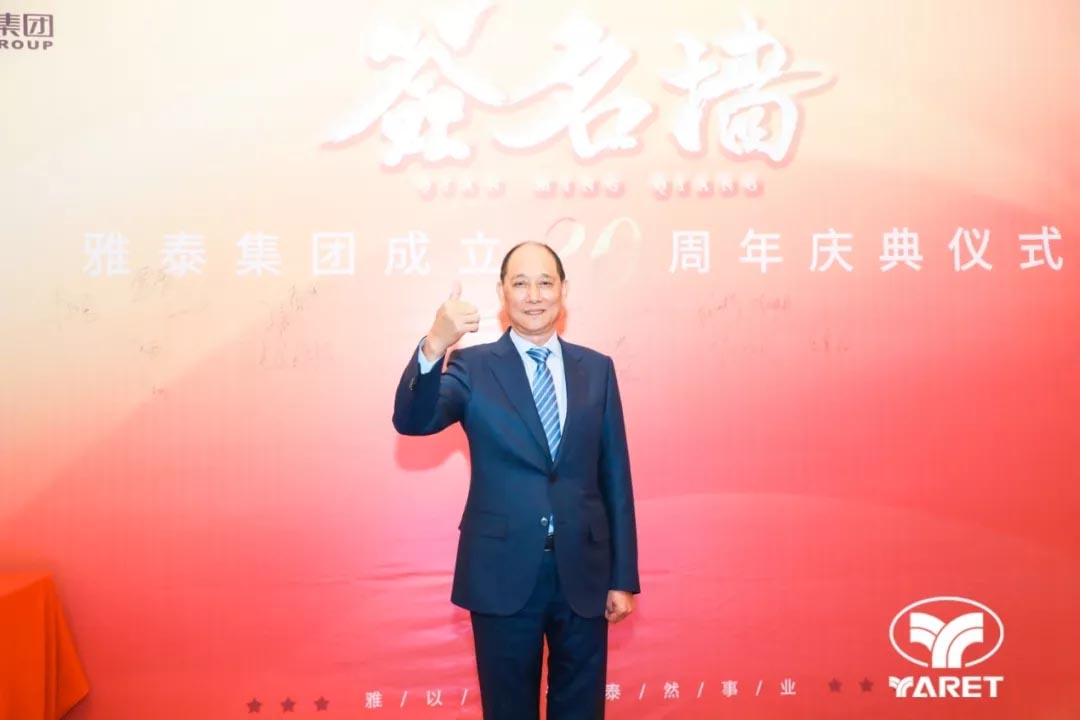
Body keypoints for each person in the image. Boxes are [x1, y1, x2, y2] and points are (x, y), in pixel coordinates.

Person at [392, 241, 640, 720]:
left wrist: (622, 577)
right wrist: (434, 345)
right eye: (520, 283)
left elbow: (616, 476)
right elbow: (412, 421)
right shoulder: (472, 366)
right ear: (502, 292)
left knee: (581, 710)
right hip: (501, 571)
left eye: (545, 282)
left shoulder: (597, 369)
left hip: (584, 575)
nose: (534, 295)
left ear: (564, 290)